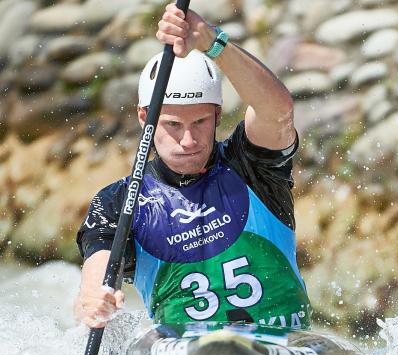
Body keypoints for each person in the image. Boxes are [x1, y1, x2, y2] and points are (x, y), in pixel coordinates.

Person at [74, 3, 311, 330]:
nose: (188, 140)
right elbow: (98, 267)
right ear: (146, 118)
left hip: (285, 344)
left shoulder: (251, 166)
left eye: (200, 122)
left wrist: (213, 42)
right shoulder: (120, 201)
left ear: (217, 114)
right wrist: (93, 298)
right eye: (173, 125)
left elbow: (277, 110)